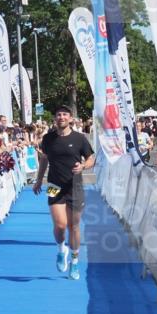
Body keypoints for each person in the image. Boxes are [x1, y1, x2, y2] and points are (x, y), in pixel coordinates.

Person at [33, 105, 95, 281]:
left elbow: (91, 158)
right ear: (55, 118)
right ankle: (62, 251)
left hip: (74, 186)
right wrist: (39, 180)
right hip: (54, 185)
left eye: (65, 115)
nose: (61, 117)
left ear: (70, 118)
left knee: (73, 226)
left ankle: (75, 261)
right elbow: (44, 159)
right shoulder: (48, 138)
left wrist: (83, 166)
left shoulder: (79, 138)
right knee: (60, 226)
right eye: (58, 114)